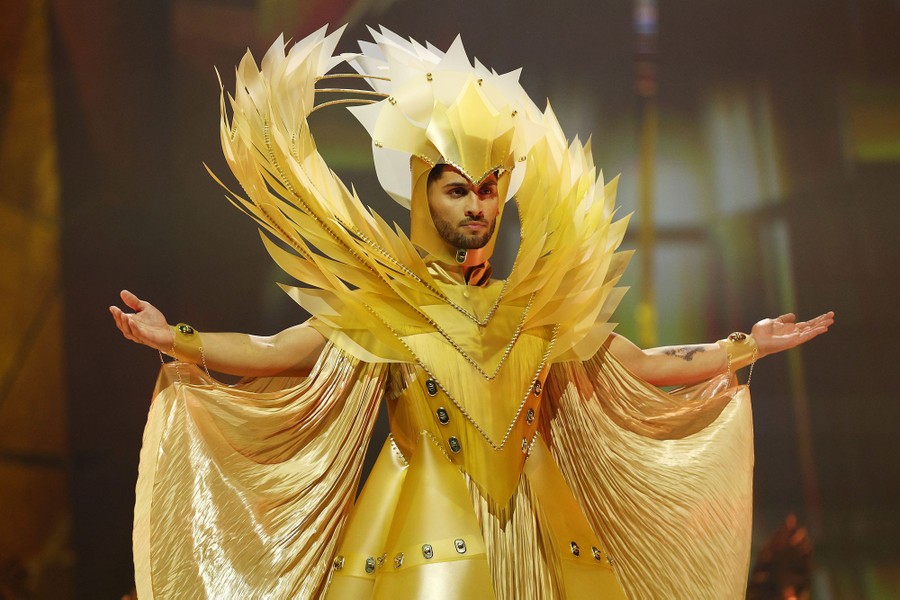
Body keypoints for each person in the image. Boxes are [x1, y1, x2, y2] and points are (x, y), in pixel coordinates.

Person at [111, 27, 833, 599]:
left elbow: (644, 366)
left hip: (541, 535)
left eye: (489, 190)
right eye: (459, 190)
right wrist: (178, 339)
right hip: (422, 530)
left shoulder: (538, 307)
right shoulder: (389, 304)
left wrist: (746, 346)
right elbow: (278, 352)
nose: (478, 206)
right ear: (424, 193)